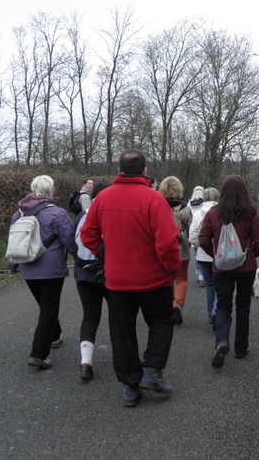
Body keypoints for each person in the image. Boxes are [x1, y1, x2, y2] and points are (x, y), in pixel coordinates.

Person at [80, 150, 181, 407]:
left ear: (119, 171)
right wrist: (172, 269)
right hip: (154, 280)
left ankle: (130, 386)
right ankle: (151, 369)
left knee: (122, 332)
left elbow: (87, 234)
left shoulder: (102, 198)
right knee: (161, 322)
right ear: (145, 171)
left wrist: (103, 256)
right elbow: (168, 242)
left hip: (117, 281)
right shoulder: (153, 199)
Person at [199, 175, 259, 369]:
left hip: (221, 268)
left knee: (223, 305)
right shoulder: (251, 213)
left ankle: (222, 340)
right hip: (246, 267)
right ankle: (240, 348)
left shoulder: (213, 213)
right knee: (243, 306)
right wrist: (251, 254)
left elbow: (202, 238)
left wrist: (215, 255)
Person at [8, 175, 73, 370]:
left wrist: (12, 266)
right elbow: (69, 240)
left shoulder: (19, 214)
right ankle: (38, 354)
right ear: (50, 191)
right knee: (48, 308)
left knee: (46, 306)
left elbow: (14, 243)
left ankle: (54, 335)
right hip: (51, 269)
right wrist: (81, 260)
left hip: (28, 268)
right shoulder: (58, 213)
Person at [68, 181, 111, 381]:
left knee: (90, 316)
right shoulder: (110, 215)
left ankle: (86, 362)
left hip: (84, 274)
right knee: (118, 316)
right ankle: (123, 357)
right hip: (108, 274)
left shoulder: (82, 216)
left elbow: (70, 242)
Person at [158, 176, 193, 325]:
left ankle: (166, 307)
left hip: (163, 248)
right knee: (182, 279)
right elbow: (191, 229)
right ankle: (177, 304)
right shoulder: (185, 209)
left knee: (165, 280)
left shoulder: (159, 206)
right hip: (181, 248)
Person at [189, 187, 220, 326]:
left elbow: (193, 237)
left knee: (209, 285)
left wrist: (199, 245)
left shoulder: (197, 214)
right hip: (220, 255)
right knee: (220, 285)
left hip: (202, 255)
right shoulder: (222, 213)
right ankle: (216, 311)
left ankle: (210, 314)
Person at [188, 186, 205, 284]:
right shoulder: (204, 205)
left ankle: (199, 274)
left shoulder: (189, 204)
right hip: (203, 232)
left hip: (193, 231)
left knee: (196, 255)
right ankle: (204, 273)